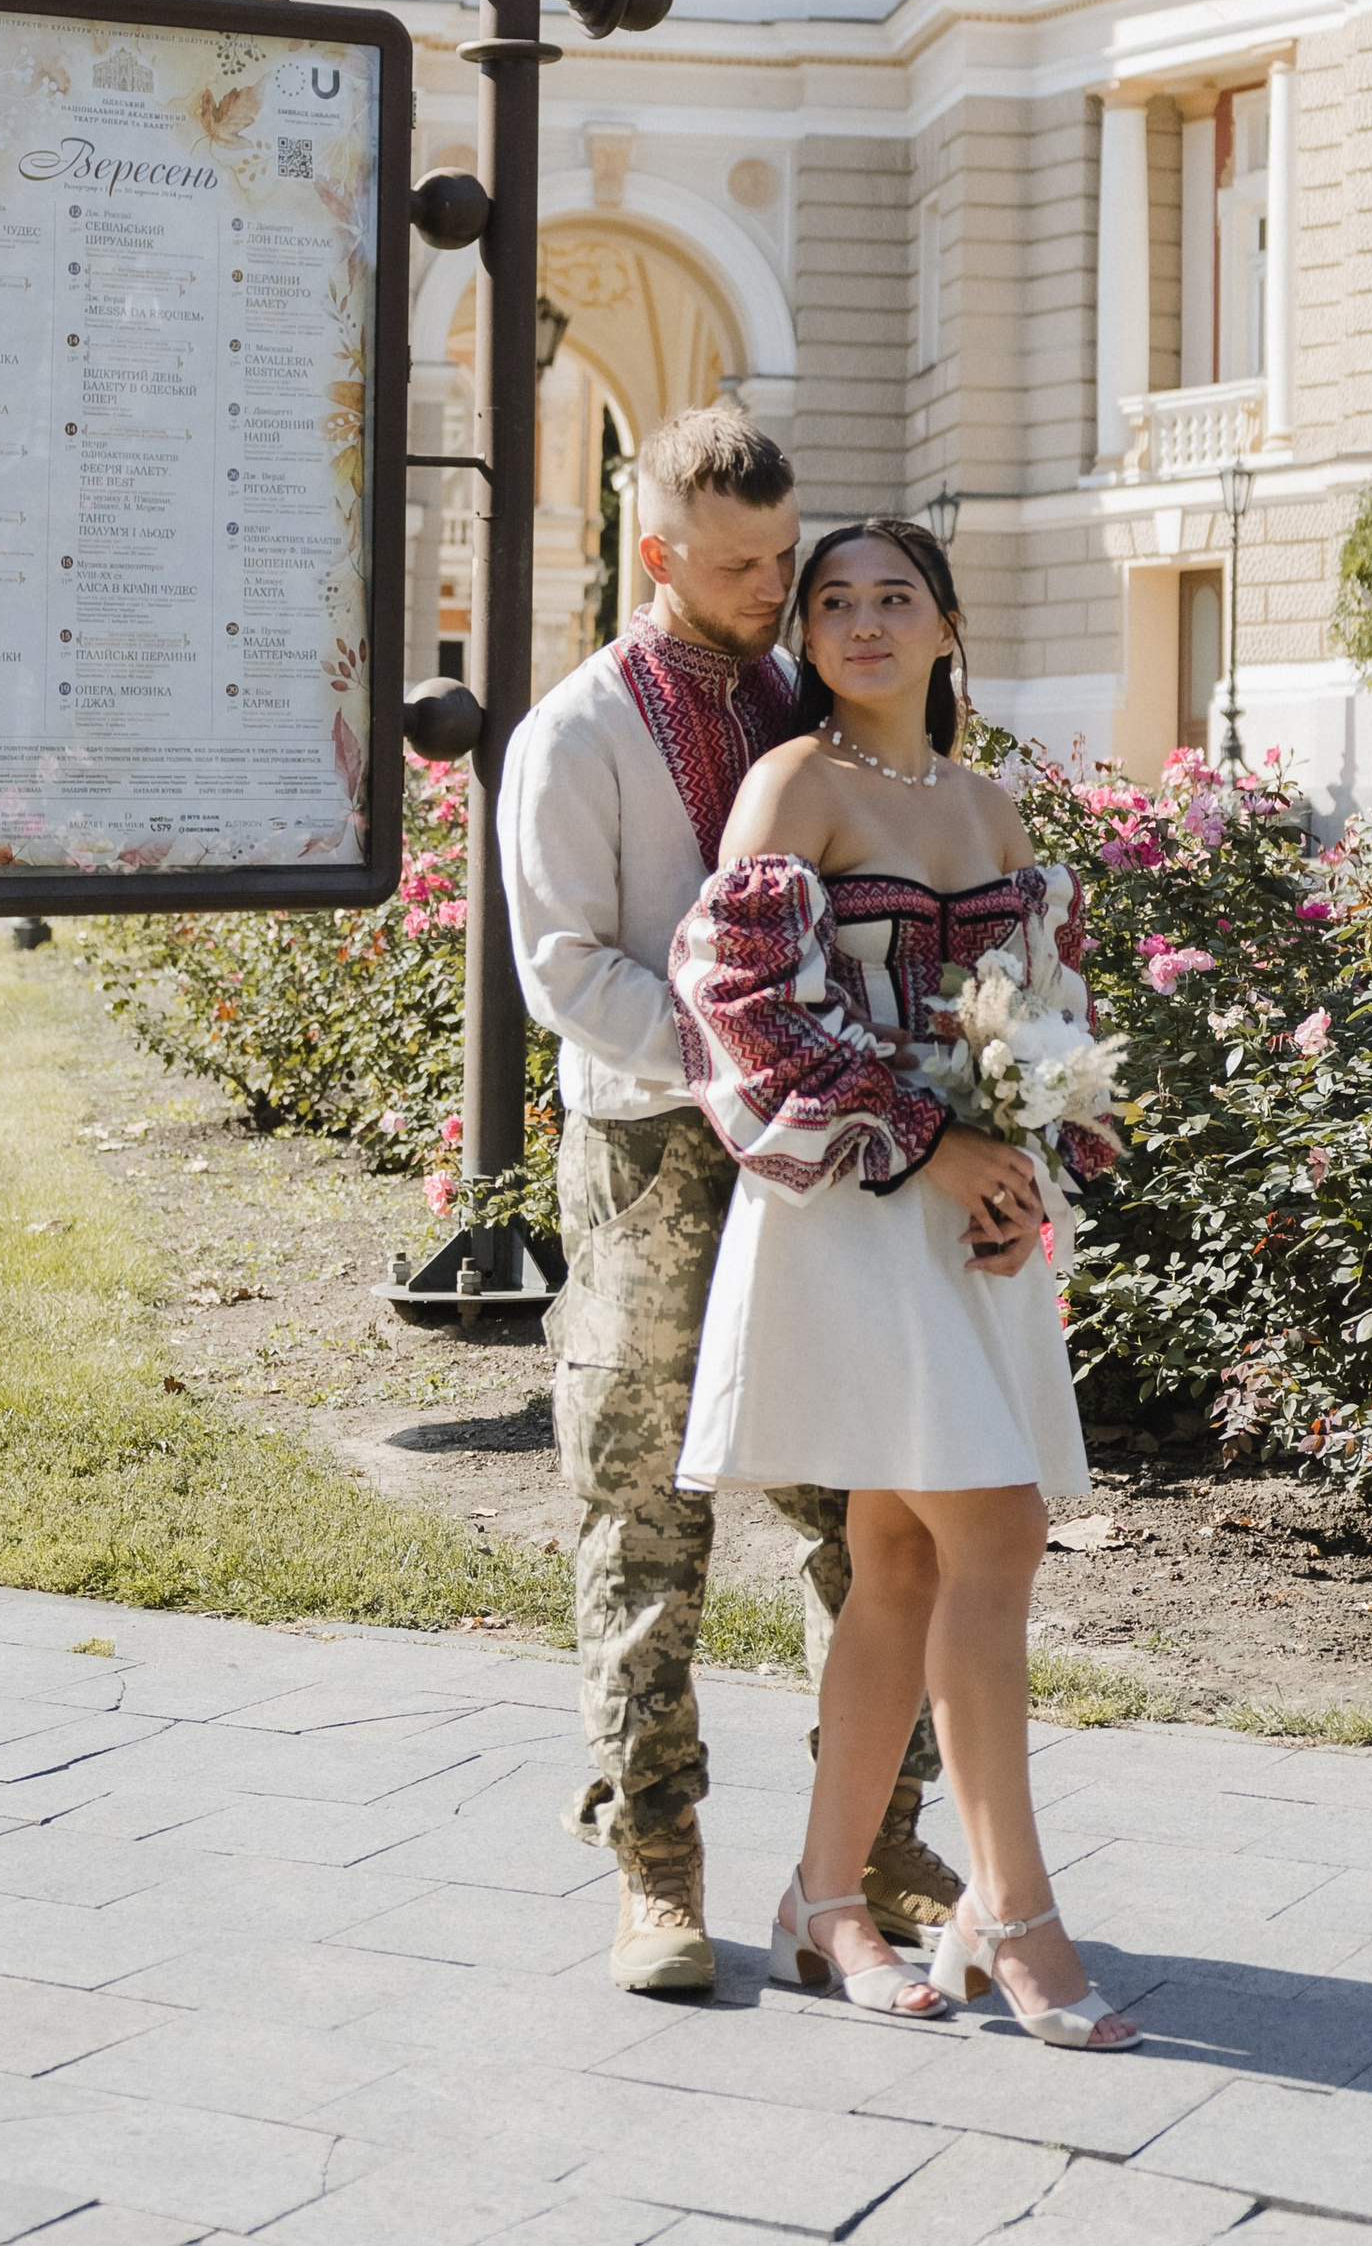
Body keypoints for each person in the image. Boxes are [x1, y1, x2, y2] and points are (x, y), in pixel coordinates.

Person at [500, 412, 960, 2000]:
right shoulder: (575, 732)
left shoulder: (802, 703)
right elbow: (563, 971)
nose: (779, 586)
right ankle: (654, 1862)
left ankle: (873, 1842)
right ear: (657, 555)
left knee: (864, 1498)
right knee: (643, 1512)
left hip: (818, 1153)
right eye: (742, 563)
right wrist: (745, 1058)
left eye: (786, 554)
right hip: (651, 1156)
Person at [667, 518, 1143, 2045]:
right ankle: (1015, 1913)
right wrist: (934, 1144)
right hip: (855, 1206)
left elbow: (1050, 1011)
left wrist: (1029, 1169)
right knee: (994, 1525)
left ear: (946, 625)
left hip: (968, 1224)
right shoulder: (794, 785)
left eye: (895, 598)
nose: (864, 622)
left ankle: (823, 1900)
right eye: (833, 602)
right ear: (807, 637)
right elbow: (745, 1008)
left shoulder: (990, 806)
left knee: (903, 1559)